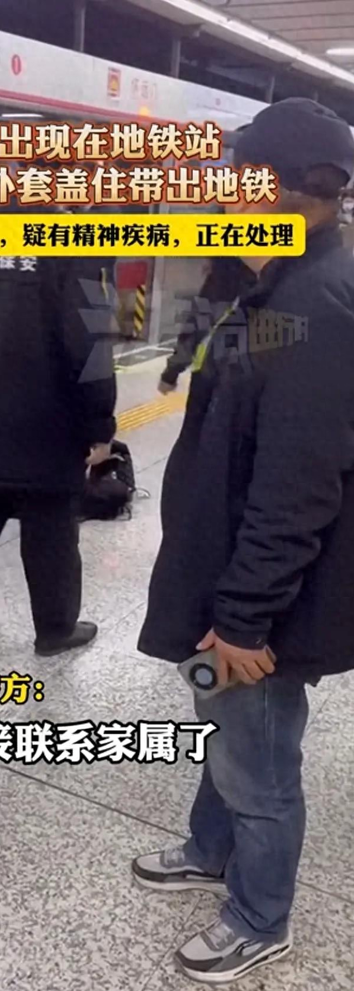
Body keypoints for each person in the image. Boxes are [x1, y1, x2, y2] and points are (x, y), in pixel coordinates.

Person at [132, 97, 354, 983]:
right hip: (220, 571)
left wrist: (245, 619)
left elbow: (297, 489)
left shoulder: (318, 306)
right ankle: (208, 845)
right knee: (217, 719)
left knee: (258, 755)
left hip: (258, 603)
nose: (222, 190)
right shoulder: (271, 281)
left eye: (236, 176)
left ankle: (261, 915)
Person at [0, 232, 117, 657]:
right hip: (48, 424)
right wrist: (99, 422)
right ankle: (56, 629)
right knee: (52, 531)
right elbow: (89, 341)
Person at [158, 257, 256, 394]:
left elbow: (199, 325)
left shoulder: (226, 274)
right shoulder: (279, 279)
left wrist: (171, 373)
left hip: (220, 376)